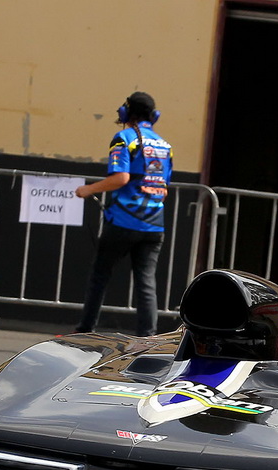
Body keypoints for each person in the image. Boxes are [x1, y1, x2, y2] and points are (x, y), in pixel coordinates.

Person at [74, 92, 173, 337]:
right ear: (154, 116)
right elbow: (164, 189)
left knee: (100, 275)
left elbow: (121, 178)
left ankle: (85, 330)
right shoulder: (165, 146)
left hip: (123, 221)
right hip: (154, 225)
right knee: (146, 283)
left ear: (126, 113)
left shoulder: (124, 138)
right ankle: (148, 338)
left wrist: (88, 189)